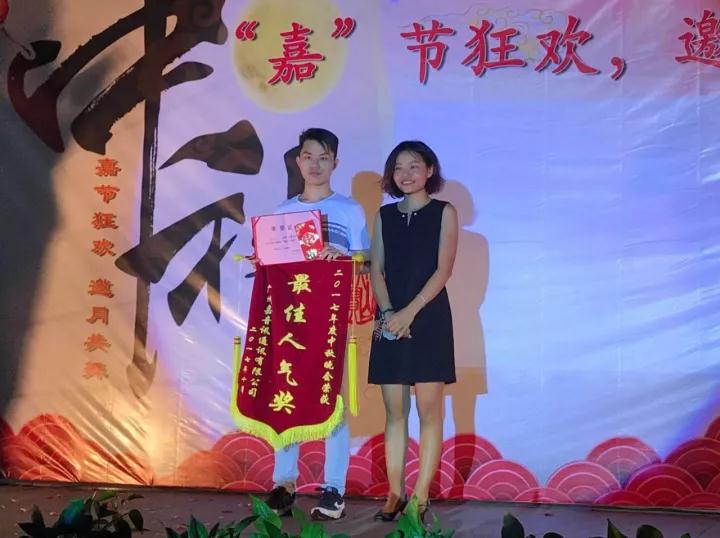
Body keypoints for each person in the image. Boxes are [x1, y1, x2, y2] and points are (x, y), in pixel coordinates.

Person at [262, 128, 370, 520]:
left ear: (335, 163)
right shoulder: (281, 212)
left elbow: (366, 263)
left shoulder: (350, 210)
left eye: (323, 158)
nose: (315, 165)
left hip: (330, 319)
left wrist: (341, 256)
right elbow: (271, 267)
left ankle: (333, 488)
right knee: (286, 393)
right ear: (298, 161)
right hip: (290, 318)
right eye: (308, 157)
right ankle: (283, 483)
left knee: (330, 401)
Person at [367, 140, 458, 523]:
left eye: (414, 166)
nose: (406, 174)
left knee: (429, 411)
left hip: (429, 317)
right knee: (394, 411)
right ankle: (394, 492)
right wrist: (390, 313)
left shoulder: (444, 212)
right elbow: (376, 269)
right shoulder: (384, 216)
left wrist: (410, 312)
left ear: (430, 170)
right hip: (390, 320)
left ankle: (421, 495)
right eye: (399, 167)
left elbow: (443, 270)